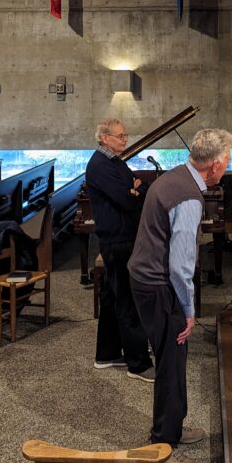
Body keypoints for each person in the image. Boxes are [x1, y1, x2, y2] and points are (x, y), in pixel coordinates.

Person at [128, 127, 232, 463]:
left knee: (175, 357)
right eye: (227, 160)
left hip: (146, 279)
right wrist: (189, 311)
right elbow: (180, 265)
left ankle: (175, 424)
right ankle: (163, 444)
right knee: (171, 362)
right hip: (159, 286)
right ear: (216, 165)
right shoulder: (189, 196)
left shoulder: (175, 175)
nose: (227, 165)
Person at [85, 119, 154, 382]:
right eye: (120, 137)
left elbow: (139, 186)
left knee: (113, 299)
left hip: (122, 236)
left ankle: (107, 353)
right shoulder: (101, 166)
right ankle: (138, 364)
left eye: (125, 136)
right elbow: (127, 199)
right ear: (104, 137)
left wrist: (134, 190)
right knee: (128, 300)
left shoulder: (115, 161)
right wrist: (133, 192)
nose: (125, 140)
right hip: (117, 240)